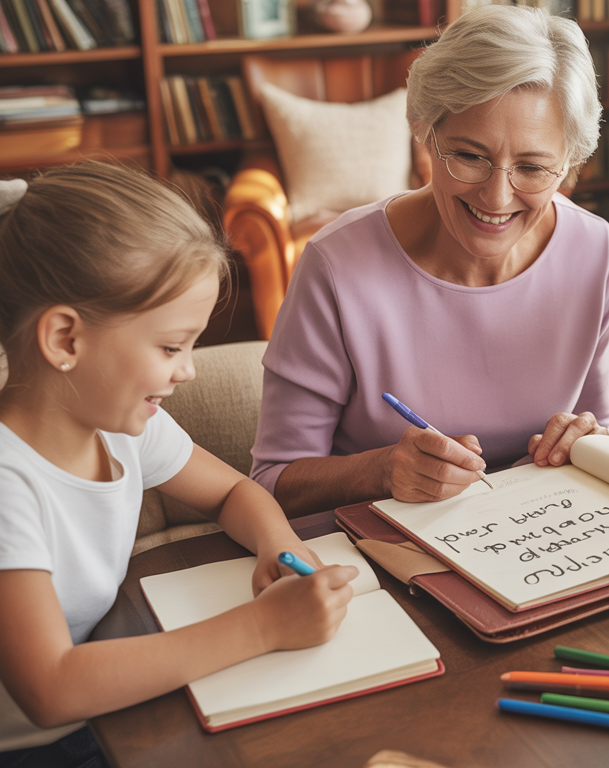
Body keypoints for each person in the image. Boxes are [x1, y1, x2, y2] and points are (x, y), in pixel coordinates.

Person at [0, 163, 358, 762]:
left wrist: (278, 546)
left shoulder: (117, 425)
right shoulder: (9, 483)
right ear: (64, 339)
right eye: (170, 347)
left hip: (110, 709)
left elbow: (233, 493)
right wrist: (264, 627)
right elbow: (51, 690)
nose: (187, 370)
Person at [251, 4, 609, 517]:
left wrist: (587, 441)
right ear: (424, 130)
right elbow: (273, 481)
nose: (496, 197)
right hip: (384, 546)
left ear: (570, 163)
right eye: (468, 156)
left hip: (538, 534)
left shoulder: (594, 249)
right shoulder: (335, 264)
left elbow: (601, 429)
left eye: (533, 167)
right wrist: (381, 471)